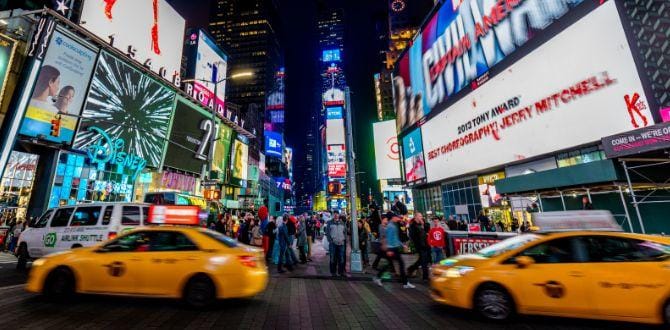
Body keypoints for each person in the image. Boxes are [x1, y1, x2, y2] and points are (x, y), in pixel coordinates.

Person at [373, 212, 414, 289]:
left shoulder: (393, 225)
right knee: (400, 264)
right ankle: (405, 283)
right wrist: (389, 250)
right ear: (393, 218)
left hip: (393, 248)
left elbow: (395, 238)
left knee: (390, 264)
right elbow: (389, 238)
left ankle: (378, 277)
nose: (398, 218)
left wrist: (402, 245)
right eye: (397, 217)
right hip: (392, 249)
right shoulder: (391, 226)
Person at [407, 212, 430, 281]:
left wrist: (423, 224)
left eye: (421, 216)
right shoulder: (413, 225)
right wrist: (418, 244)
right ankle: (425, 277)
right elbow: (412, 236)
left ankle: (411, 268)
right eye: (420, 216)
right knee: (424, 261)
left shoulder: (422, 224)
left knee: (422, 260)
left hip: (425, 244)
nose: (421, 217)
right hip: (420, 245)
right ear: (416, 217)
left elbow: (427, 231)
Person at [325, 210, 346, 277]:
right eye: (335, 214)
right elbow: (327, 233)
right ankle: (333, 272)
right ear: (333, 215)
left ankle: (341, 272)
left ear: (339, 215)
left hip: (341, 243)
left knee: (341, 258)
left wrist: (343, 239)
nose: (336, 215)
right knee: (333, 258)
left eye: (337, 214)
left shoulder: (342, 223)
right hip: (333, 243)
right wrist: (330, 241)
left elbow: (345, 232)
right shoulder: (330, 223)